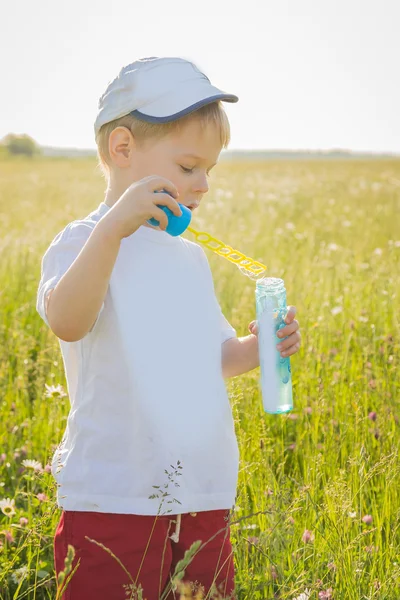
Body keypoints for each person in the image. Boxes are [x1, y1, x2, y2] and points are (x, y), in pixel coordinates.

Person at [36, 57, 301, 600]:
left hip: (201, 490)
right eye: (187, 167)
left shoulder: (187, 259)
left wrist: (259, 349)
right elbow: (67, 321)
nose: (202, 185)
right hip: (114, 496)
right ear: (123, 149)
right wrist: (113, 231)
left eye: (209, 170)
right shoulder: (82, 241)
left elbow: (208, 361)